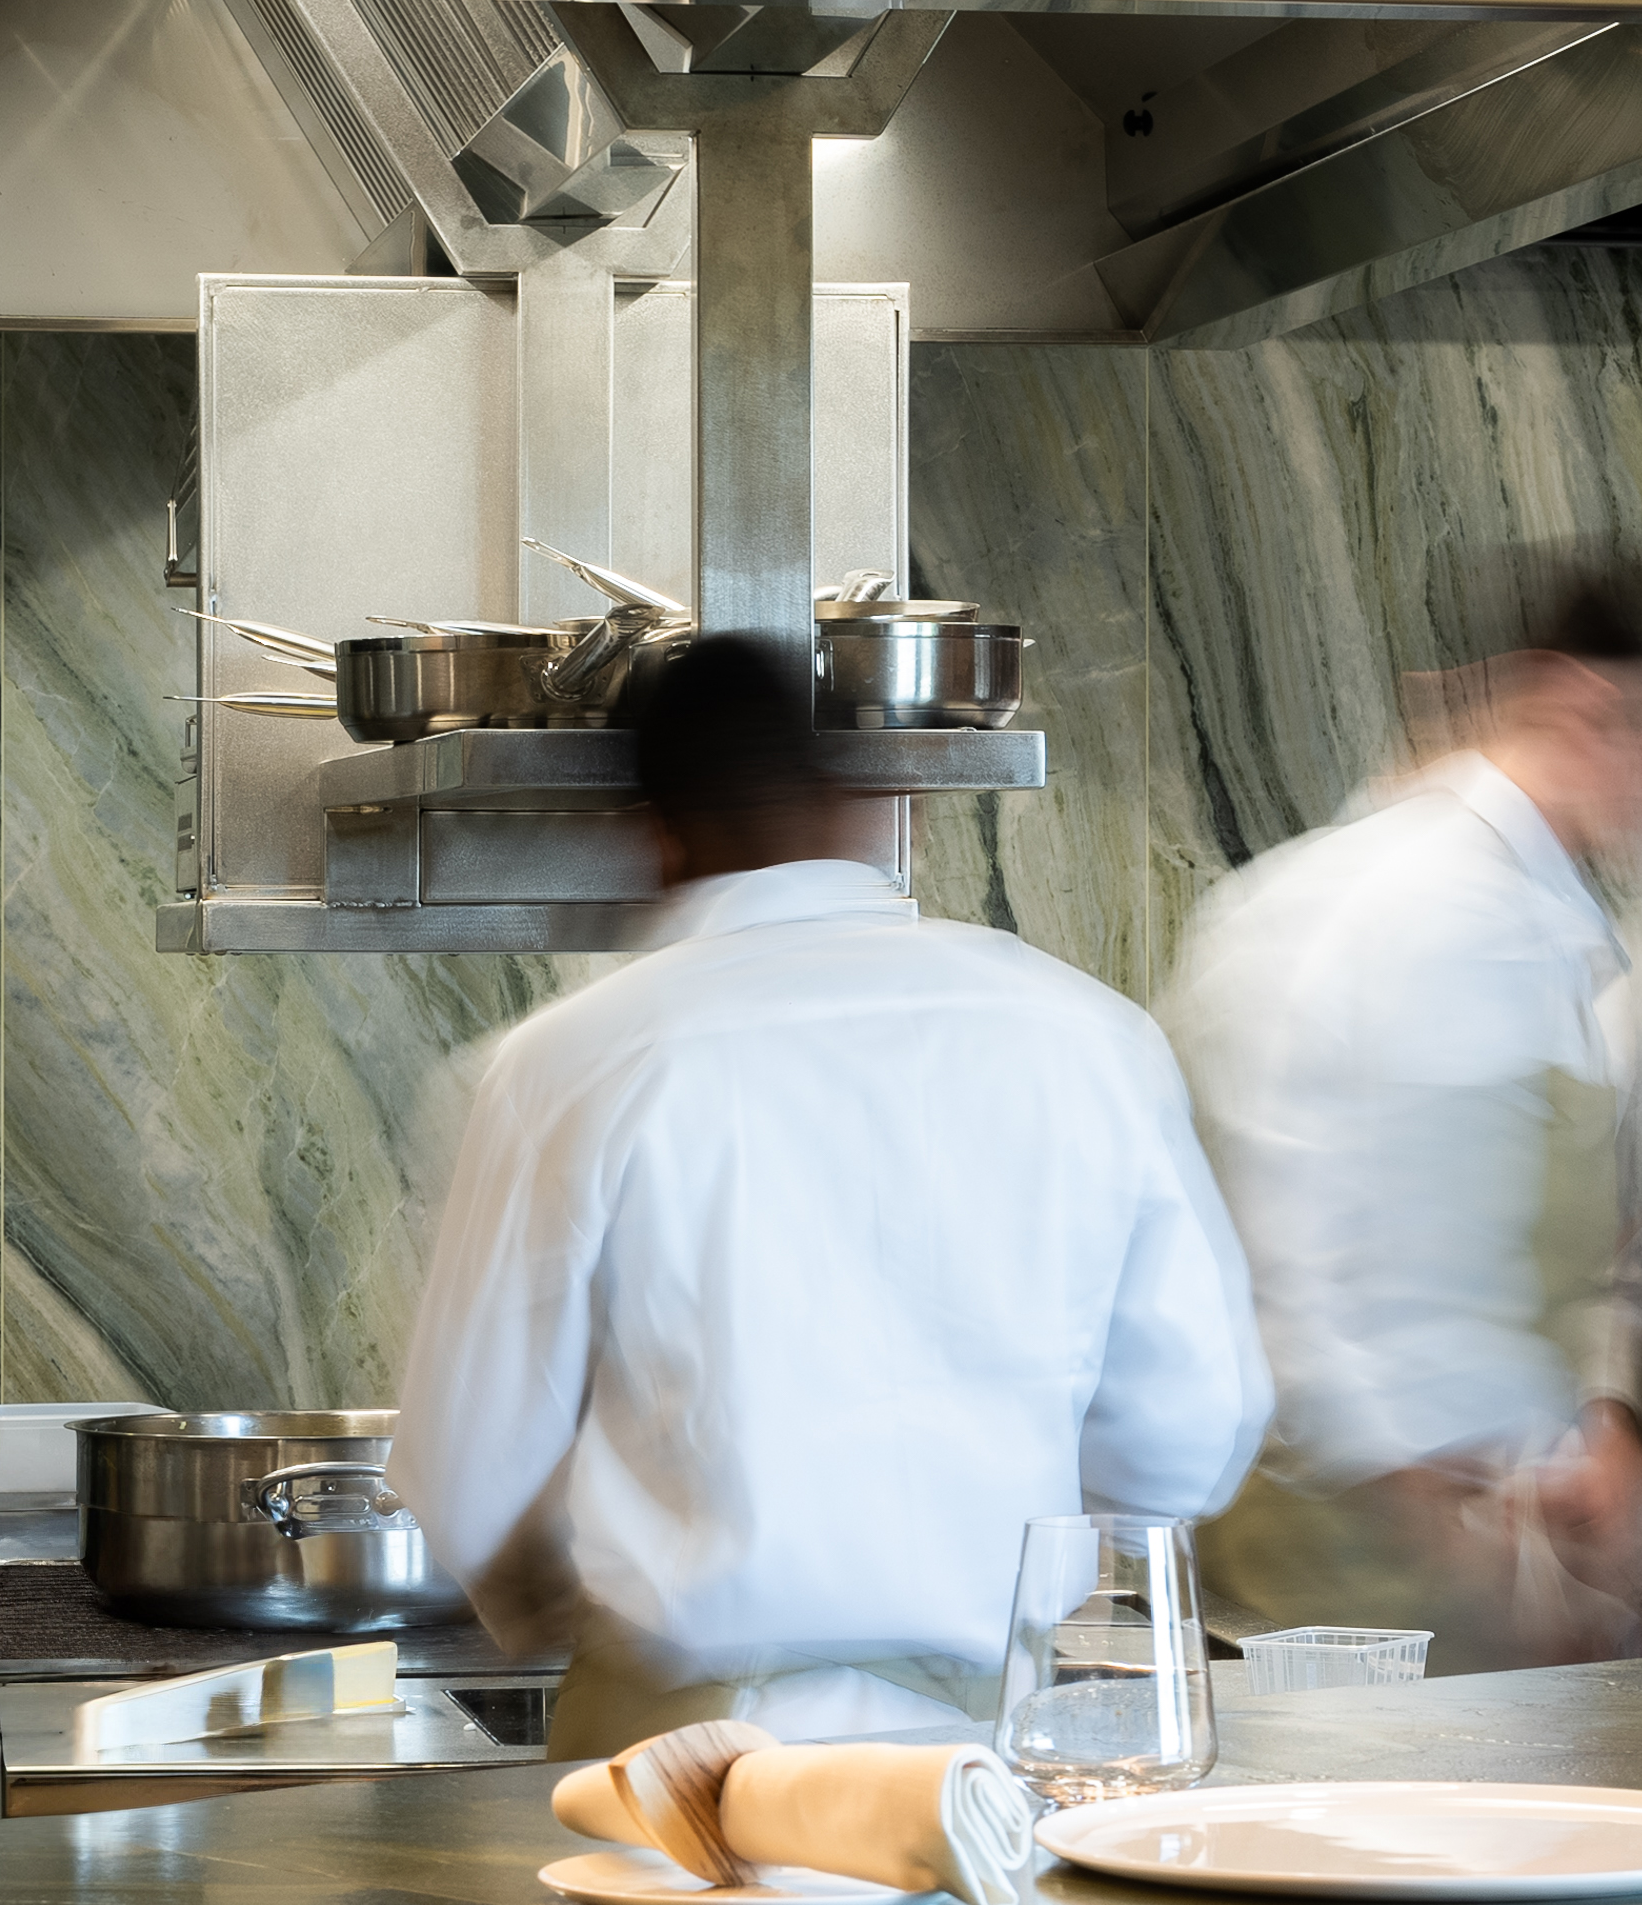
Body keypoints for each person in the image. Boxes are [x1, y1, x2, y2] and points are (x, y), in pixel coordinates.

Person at [388, 634, 1273, 1758]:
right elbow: (1194, 1430)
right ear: (857, 805)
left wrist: (564, 1587)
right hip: (994, 1762)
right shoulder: (1086, 1037)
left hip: (687, 1769)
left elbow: (465, 1471)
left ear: (652, 838)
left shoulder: (573, 1062)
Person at [1156, 564, 1642, 1670]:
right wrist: (1502, 1490)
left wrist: (1583, 1434)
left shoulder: (1502, 901)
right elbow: (1336, 1282)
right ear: (1575, 704)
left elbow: (1487, 1248)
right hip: (1361, 1568)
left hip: (1438, 1532)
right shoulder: (1435, 914)